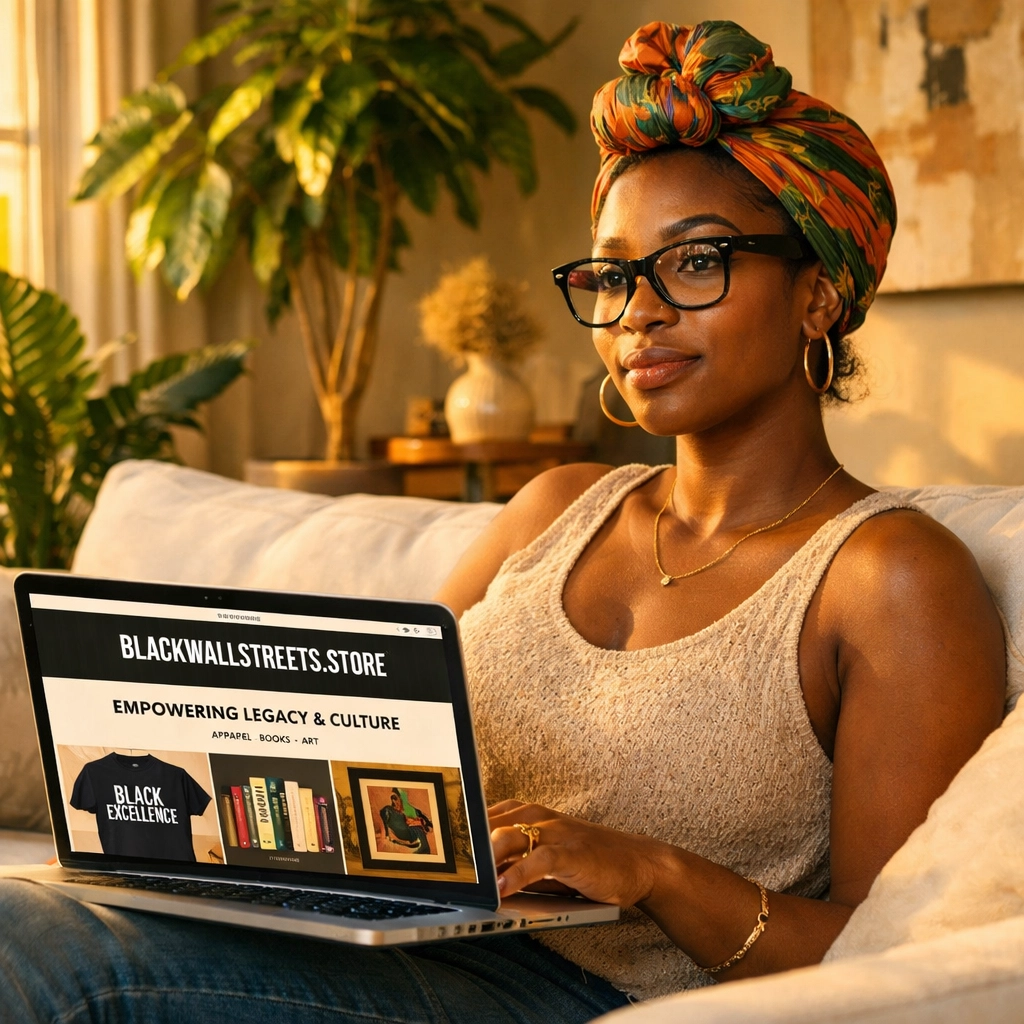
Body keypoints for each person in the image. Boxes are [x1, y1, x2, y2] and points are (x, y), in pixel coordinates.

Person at [0, 19, 1006, 1024]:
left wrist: (652, 871)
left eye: (694, 262)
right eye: (612, 275)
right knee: (35, 908)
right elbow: (380, 730)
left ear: (819, 294)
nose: (637, 312)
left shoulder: (889, 576)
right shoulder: (558, 504)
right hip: (392, 945)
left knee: (40, 953)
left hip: (588, 996)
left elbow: (891, 961)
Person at [379, 789, 432, 854]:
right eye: (396, 800)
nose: (399, 803)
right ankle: (424, 848)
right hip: (401, 832)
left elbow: (407, 822)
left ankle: (423, 848)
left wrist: (414, 822)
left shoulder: (401, 813)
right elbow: (385, 821)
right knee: (419, 830)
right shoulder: (388, 809)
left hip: (406, 831)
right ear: (393, 801)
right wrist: (387, 835)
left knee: (419, 829)